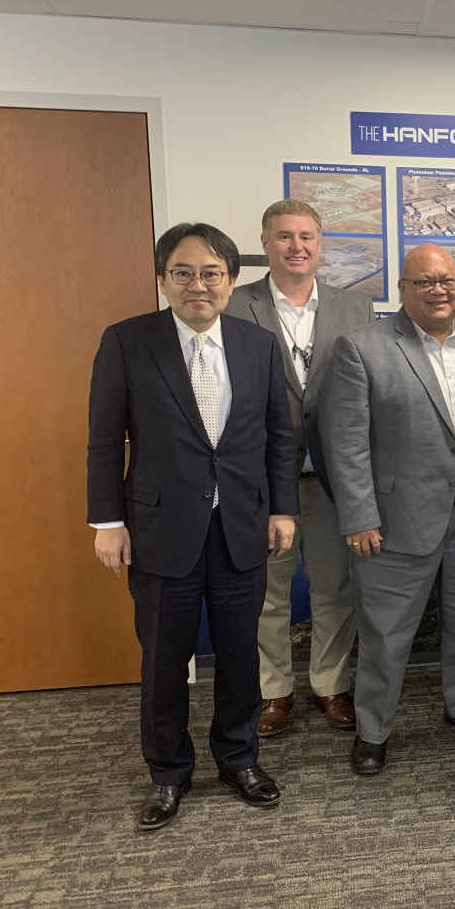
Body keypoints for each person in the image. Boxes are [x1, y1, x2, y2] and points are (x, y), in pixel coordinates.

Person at [87, 222, 299, 830]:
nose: (197, 285)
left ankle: (238, 759)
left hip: (241, 527)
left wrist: (282, 508)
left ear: (231, 282)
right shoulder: (128, 341)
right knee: (163, 659)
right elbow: (105, 440)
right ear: (163, 280)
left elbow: (280, 437)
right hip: (157, 528)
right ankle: (168, 773)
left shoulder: (258, 344)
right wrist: (107, 520)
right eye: (182, 273)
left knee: (239, 655)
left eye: (211, 273)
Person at [321, 244, 455, 775]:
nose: (438, 289)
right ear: (402, 289)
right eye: (424, 281)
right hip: (392, 522)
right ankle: (373, 729)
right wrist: (358, 516)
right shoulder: (362, 347)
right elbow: (345, 442)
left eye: (447, 279)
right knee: (384, 635)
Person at [225, 199, 373, 738]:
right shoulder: (234, 305)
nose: (296, 246)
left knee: (337, 589)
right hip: (263, 480)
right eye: (284, 236)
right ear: (265, 243)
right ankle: (274, 691)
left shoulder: (355, 309)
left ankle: (330, 683)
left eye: (306, 236)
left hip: (337, 478)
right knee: (268, 592)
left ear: (320, 244)